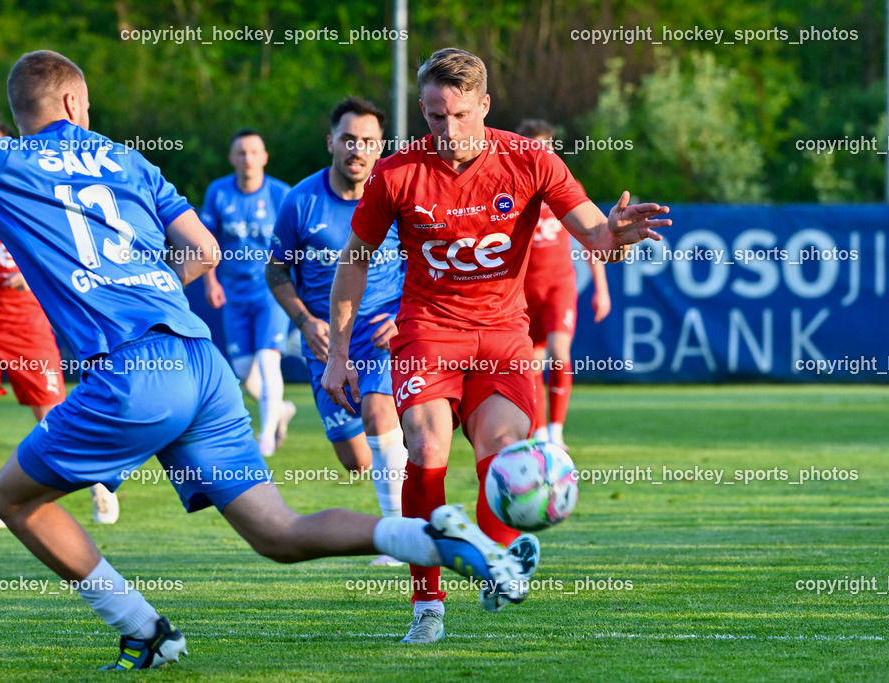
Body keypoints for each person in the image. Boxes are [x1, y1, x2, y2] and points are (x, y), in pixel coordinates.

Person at [0, 49, 534, 669]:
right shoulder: (129, 160)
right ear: (72, 104)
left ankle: (142, 627)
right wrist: (145, 286)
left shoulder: (1, 159)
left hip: (132, 373)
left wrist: (110, 298)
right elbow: (203, 251)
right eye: (87, 105)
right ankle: (431, 537)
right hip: (200, 361)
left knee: (14, 498)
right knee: (278, 533)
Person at [322, 47, 670, 643]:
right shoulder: (397, 172)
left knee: (507, 453)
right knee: (425, 444)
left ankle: (494, 559)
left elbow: (595, 235)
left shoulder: (530, 158)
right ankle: (427, 605)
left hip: (503, 336)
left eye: (460, 115)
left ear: (485, 105)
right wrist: (338, 353)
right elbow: (354, 261)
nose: (448, 129)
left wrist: (615, 237)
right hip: (428, 329)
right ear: (423, 111)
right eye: (436, 116)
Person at [0, 113, 119, 528]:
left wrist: (33, 275)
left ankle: (98, 480)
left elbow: (69, 254)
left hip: (30, 327)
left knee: (54, 419)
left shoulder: (27, 194)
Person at [267, 97, 408, 567]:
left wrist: (404, 314)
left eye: (368, 141)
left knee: (379, 416)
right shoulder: (300, 201)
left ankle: (398, 538)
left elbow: (425, 262)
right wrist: (305, 322)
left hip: (383, 330)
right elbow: (276, 271)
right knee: (358, 461)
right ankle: (407, 460)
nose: (358, 149)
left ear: (380, 147)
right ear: (331, 142)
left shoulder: (395, 196)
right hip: (327, 342)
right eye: (349, 139)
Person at [516, 119, 611, 451]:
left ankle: (556, 432)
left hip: (558, 285)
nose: (541, 152)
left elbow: (591, 237)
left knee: (559, 352)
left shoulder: (564, 184)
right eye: (533, 145)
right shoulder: (509, 186)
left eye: (546, 145)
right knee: (530, 362)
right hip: (521, 290)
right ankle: (540, 433)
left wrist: (601, 289)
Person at [200, 130, 296, 456]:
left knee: (268, 363)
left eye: (254, 152)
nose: (248, 158)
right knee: (243, 371)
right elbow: (207, 242)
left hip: (272, 291)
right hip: (234, 294)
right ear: (232, 158)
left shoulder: (281, 194)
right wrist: (210, 283)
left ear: (265, 157)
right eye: (241, 152)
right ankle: (281, 410)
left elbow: (298, 241)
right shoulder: (218, 192)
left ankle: (265, 439)